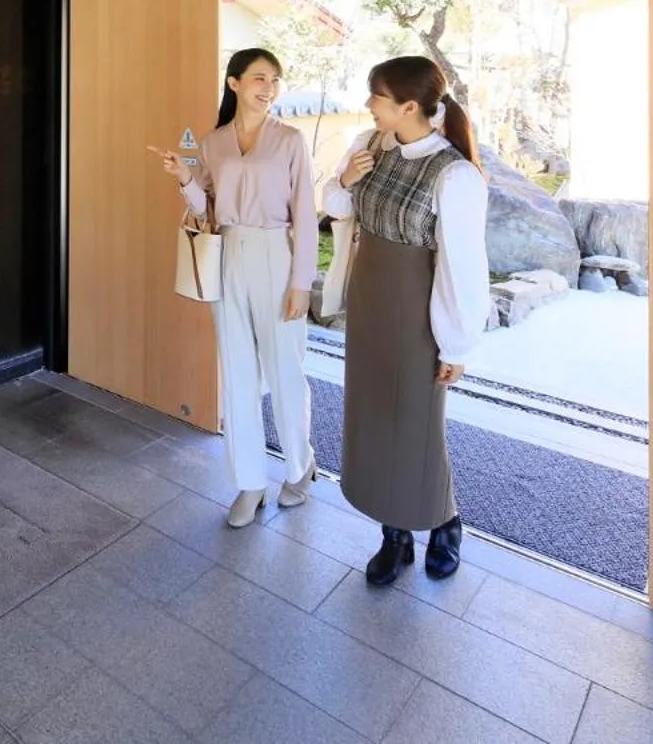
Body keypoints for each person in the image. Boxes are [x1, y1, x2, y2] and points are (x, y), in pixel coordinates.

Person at [322, 55, 490, 585]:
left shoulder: (455, 174)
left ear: (409, 106)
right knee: (374, 416)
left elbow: (462, 267)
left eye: (377, 97)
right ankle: (394, 534)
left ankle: (444, 521)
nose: (369, 105)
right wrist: (344, 180)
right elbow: (332, 207)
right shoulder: (369, 147)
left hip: (417, 306)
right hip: (370, 298)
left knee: (416, 423)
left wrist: (456, 345)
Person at [149, 48, 319, 529]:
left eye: (275, 80)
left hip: (276, 253)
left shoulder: (289, 140)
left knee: (285, 369)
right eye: (260, 78)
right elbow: (207, 208)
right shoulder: (213, 142)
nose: (269, 87)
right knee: (239, 371)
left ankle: (299, 467)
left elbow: (305, 214)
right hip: (230, 256)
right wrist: (184, 177)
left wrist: (301, 282)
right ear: (234, 83)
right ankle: (249, 482)